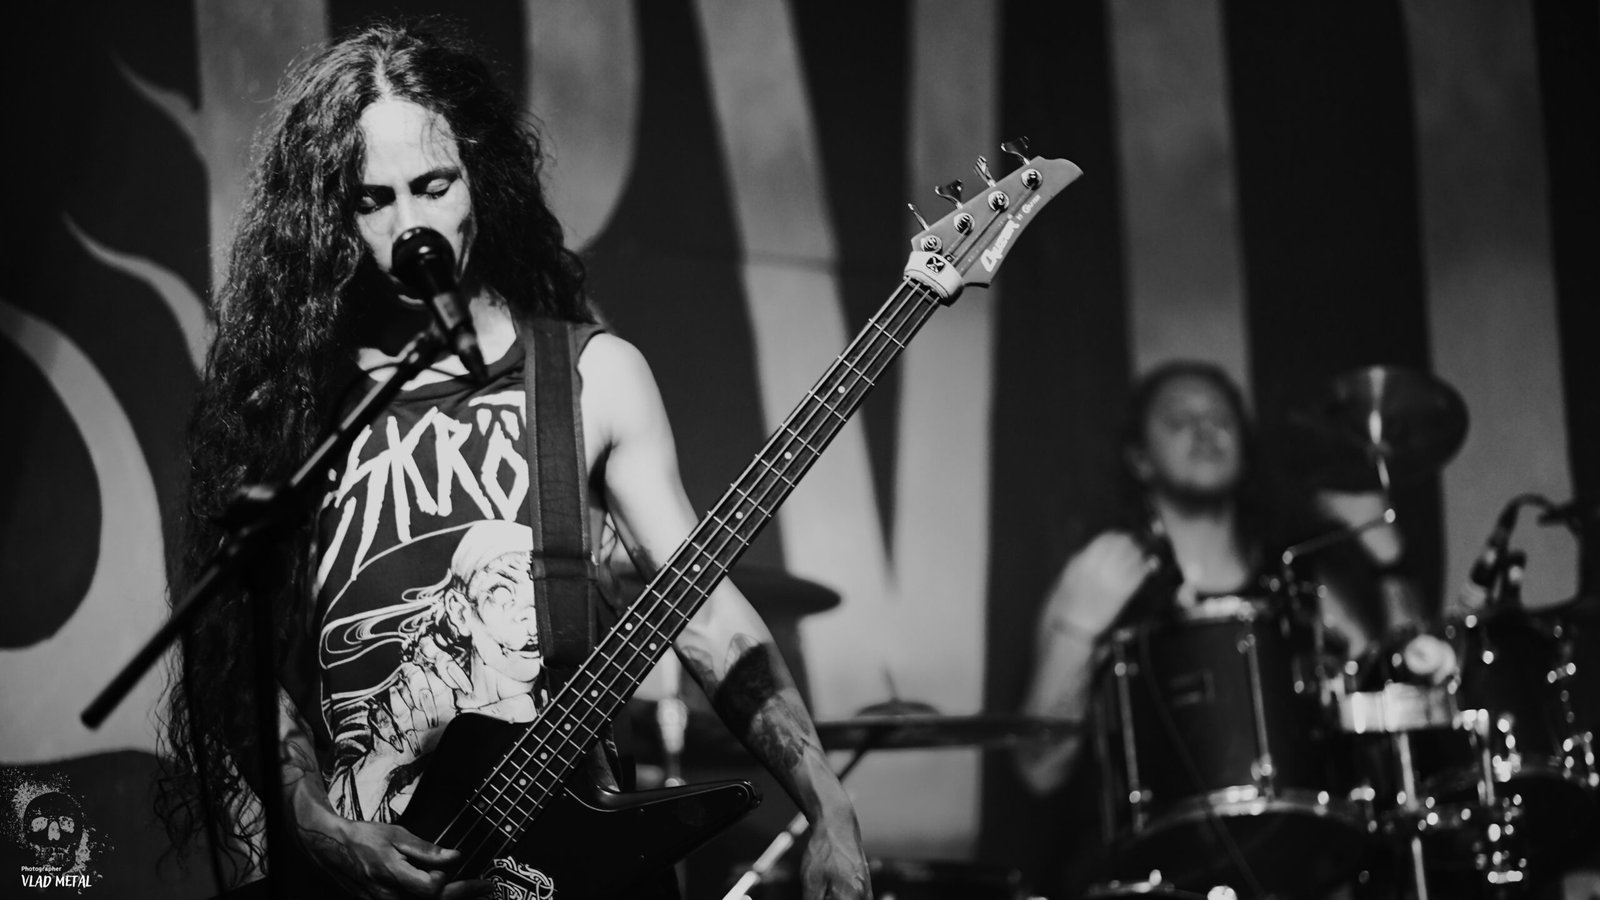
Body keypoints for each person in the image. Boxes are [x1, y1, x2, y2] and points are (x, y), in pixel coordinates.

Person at [159, 22, 870, 900]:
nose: (411, 226)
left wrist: (826, 802)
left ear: (481, 179)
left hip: (558, 865)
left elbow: (703, 611)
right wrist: (323, 830)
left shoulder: (592, 379)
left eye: (434, 186)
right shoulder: (291, 410)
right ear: (330, 216)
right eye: (373, 200)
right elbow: (241, 667)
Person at [1011, 361, 1421, 898]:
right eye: (1179, 419)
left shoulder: (1301, 581)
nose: (1204, 430)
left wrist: (1391, 563)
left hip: (1288, 876)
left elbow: (1402, 709)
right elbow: (1038, 770)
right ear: (1139, 458)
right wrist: (1077, 630)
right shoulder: (1096, 575)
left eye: (1220, 419)